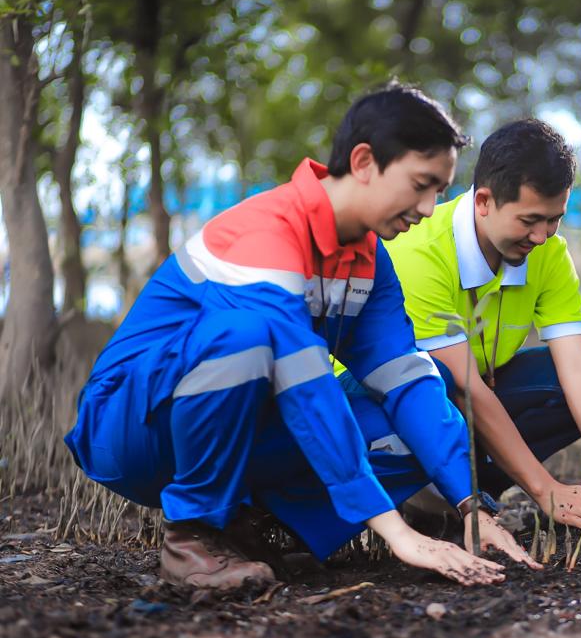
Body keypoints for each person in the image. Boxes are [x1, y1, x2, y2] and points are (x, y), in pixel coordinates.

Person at [64, 83, 530, 590]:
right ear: (364, 161)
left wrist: (471, 504)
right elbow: (305, 384)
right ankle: (192, 535)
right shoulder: (267, 234)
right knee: (248, 337)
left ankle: (257, 526)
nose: (428, 207)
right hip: (133, 430)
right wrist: (397, 532)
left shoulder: (370, 261)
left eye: (440, 190)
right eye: (422, 184)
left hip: (239, 428)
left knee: (418, 394)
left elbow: (406, 377)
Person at [383, 119, 581, 532]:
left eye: (554, 219)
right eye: (529, 220)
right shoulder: (421, 252)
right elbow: (465, 386)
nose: (542, 236)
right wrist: (545, 490)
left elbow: (576, 363)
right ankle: (425, 496)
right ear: (484, 201)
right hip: (398, 412)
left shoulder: (548, 252)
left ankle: (473, 492)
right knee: (442, 383)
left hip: (475, 395)